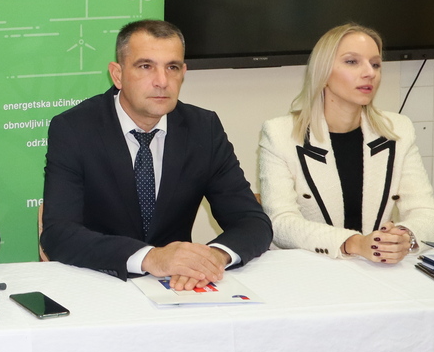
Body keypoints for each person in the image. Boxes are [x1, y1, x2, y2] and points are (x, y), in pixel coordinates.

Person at [41, 19, 271, 290]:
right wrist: (150, 257)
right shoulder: (74, 129)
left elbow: (252, 221)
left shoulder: (203, 129)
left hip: (178, 287)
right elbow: (59, 234)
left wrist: (211, 258)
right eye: (145, 66)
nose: (162, 82)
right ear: (117, 74)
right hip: (102, 282)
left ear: (183, 73)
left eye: (172, 68)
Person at [258, 24, 434, 262]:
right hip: (311, 268)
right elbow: (281, 223)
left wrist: (405, 236)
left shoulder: (398, 129)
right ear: (323, 73)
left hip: (377, 268)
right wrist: (353, 243)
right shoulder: (279, 134)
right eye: (352, 62)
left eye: (375, 64)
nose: (370, 73)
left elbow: (427, 212)